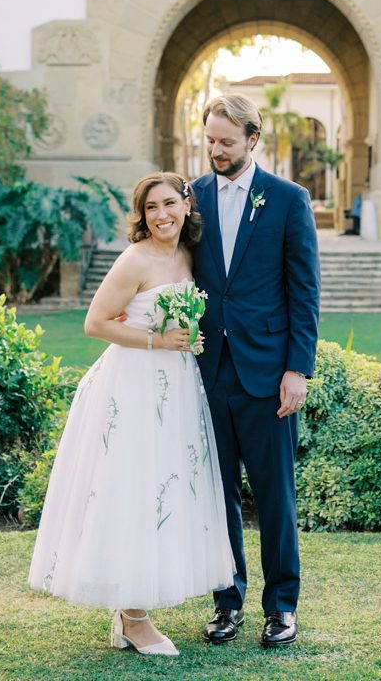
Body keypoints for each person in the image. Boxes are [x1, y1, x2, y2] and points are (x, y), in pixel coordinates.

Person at [28, 172, 234, 656]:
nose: (161, 215)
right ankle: (134, 618)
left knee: (164, 490)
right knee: (134, 489)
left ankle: (130, 613)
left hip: (176, 387)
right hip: (133, 387)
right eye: (150, 209)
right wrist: (156, 339)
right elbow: (94, 323)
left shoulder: (186, 256)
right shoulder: (134, 259)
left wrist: (186, 338)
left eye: (169, 204)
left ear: (187, 205)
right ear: (141, 217)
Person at [190, 94, 320, 648]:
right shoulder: (190, 197)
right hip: (205, 372)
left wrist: (298, 369)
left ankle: (281, 607)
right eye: (210, 141)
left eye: (226, 142)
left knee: (275, 498)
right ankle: (227, 601)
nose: (216, 151)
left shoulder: (288, 201)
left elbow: (304, 291)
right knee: (215, 496)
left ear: (252, 141)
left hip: (268, 375)